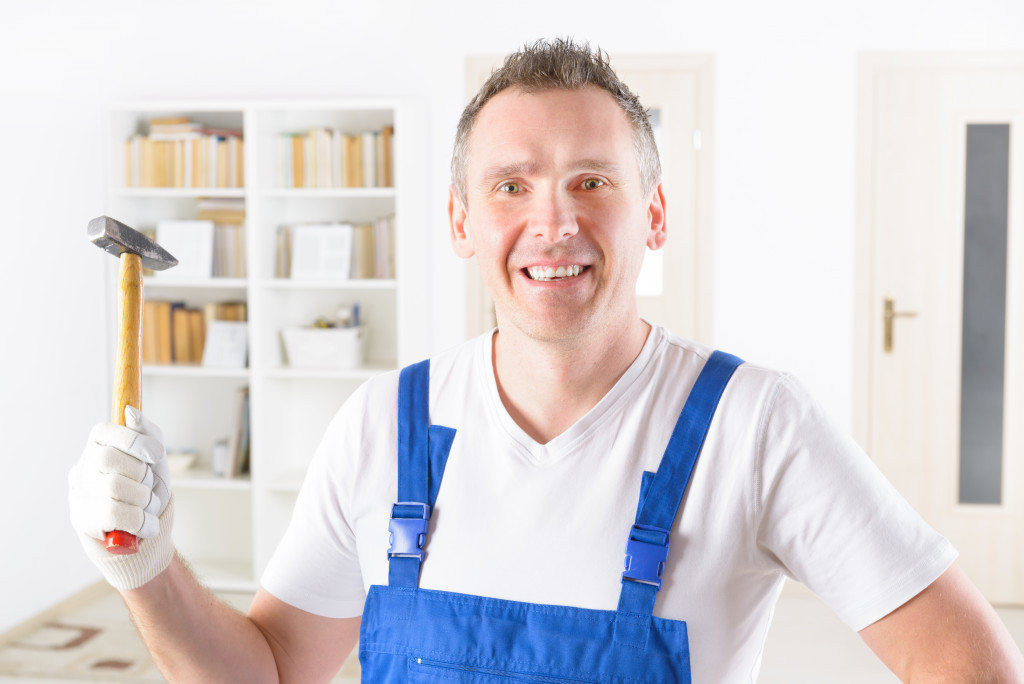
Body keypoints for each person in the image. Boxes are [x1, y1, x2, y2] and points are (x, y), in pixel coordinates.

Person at [69, 38, 1024, 682]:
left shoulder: (754, 424)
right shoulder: (383, 427)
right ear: (460, 221)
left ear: (653, 216)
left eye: (593, 181)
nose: (553, 222)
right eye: (512, 184)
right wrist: (145, 566)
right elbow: (267, 671)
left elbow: (973, 663)